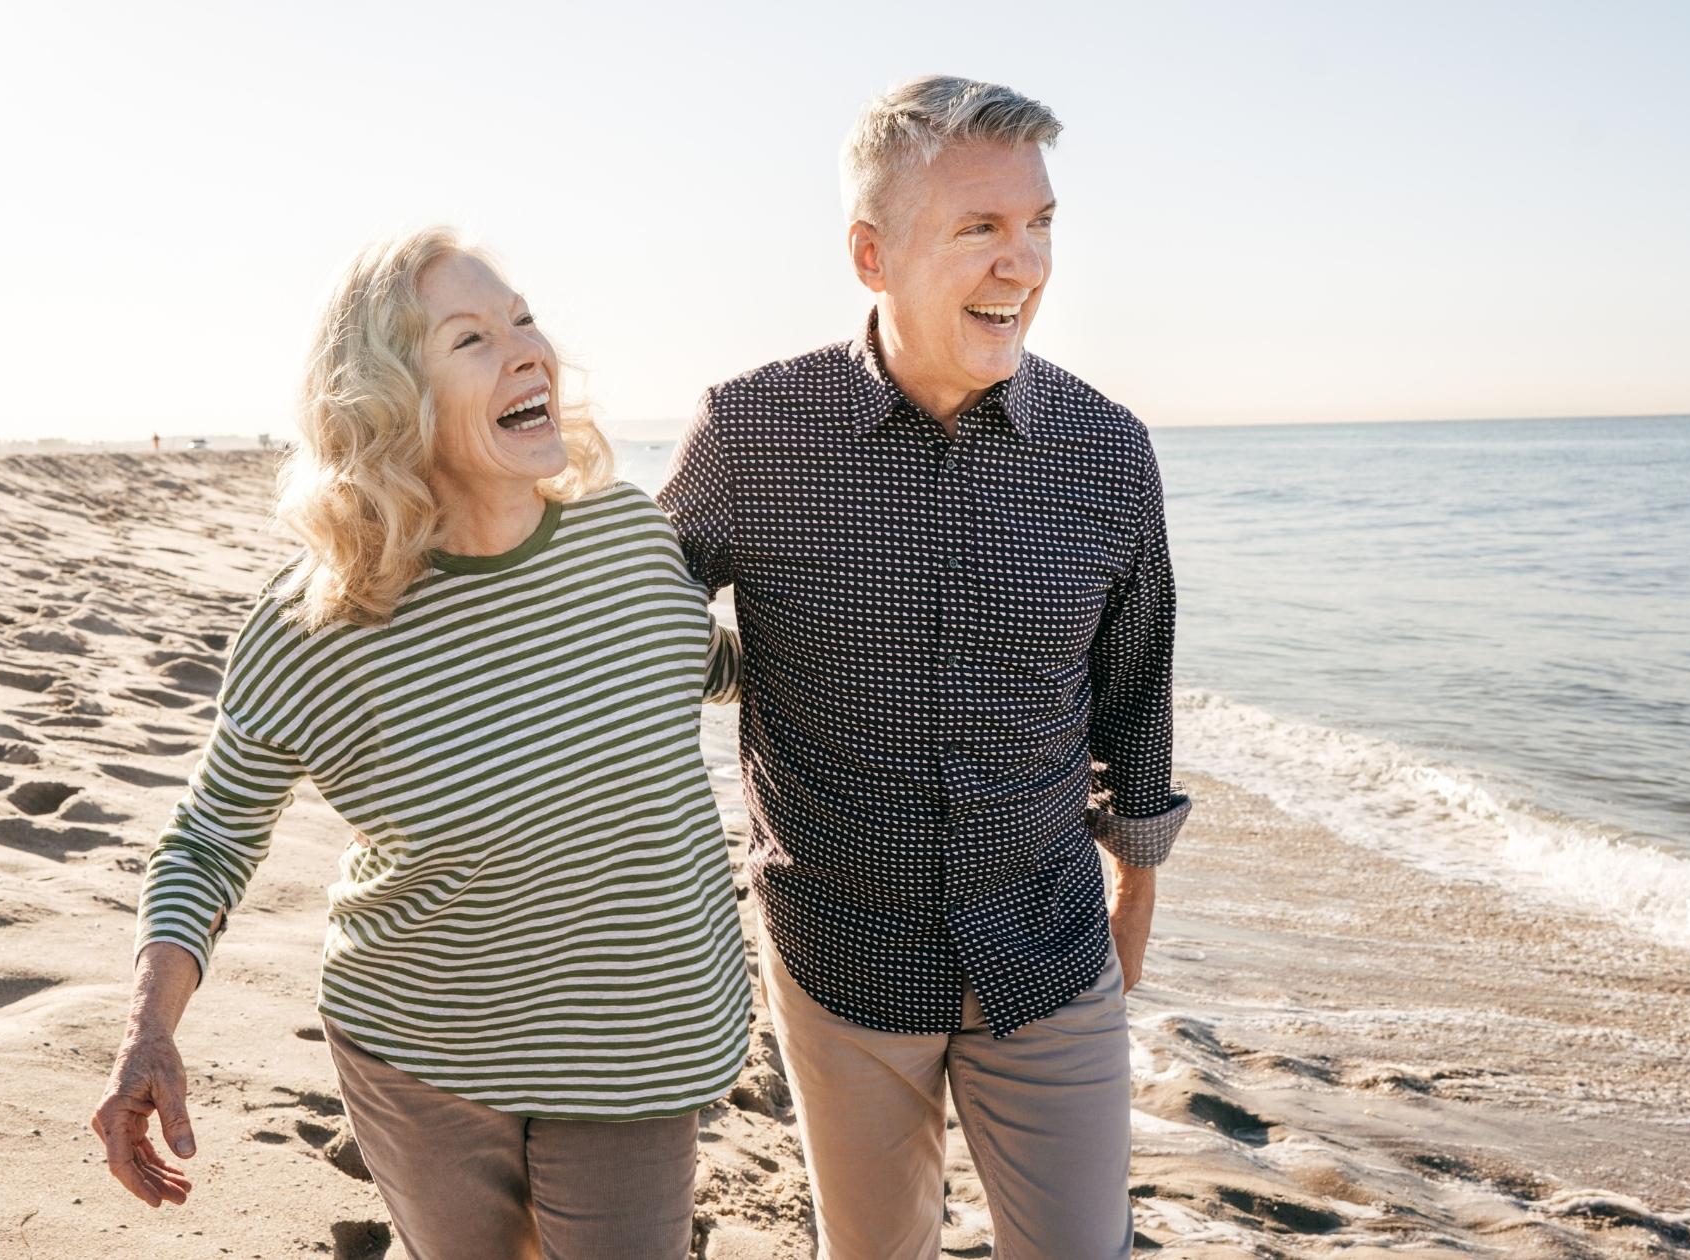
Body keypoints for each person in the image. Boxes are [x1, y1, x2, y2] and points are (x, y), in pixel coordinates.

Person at [89, 227, 750, 1260]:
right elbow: (209, 840)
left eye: (523, 319)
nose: (528, 350)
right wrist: (149, 1028)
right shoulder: (319, 623)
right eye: (473, 339)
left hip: (632, 1047)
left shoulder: (629, 537)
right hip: (421, 1053)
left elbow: (720, 670)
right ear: (387, 398)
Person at [657, 75, 1190, 1260]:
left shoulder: (1108, 451)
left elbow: (1137, 684)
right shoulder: (750, 432)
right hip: (837, 948)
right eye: (981, 229)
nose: (1025, 263)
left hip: (1048, 940)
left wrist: (1135, 883)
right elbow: (631, 631)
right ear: (870, 255)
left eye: (1040, 222)